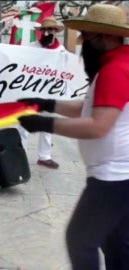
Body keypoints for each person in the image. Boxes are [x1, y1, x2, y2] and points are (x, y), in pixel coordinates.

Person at [18, 4, 129, 269]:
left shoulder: (116, 69)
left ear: (106, 36)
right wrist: (46, 103)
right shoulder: (115, 64)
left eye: (88, 36)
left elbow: (98, 126)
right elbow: (88, 107)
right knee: (117, 243)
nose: (83, 45)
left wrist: (44, 124)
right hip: (119, 174)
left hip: (114, 177)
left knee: (81, 239)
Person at [18, 16, 65, 170]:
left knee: (48, 125)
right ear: (41, 31)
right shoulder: (31, 47)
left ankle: (44, 156)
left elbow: (64, 72)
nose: (47, 33)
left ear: (55, 32)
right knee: (25, 124)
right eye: (44, 30)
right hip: (31, 92)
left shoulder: (61, 51)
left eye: (50, 30)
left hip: (50, 95)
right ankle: (20, 154)